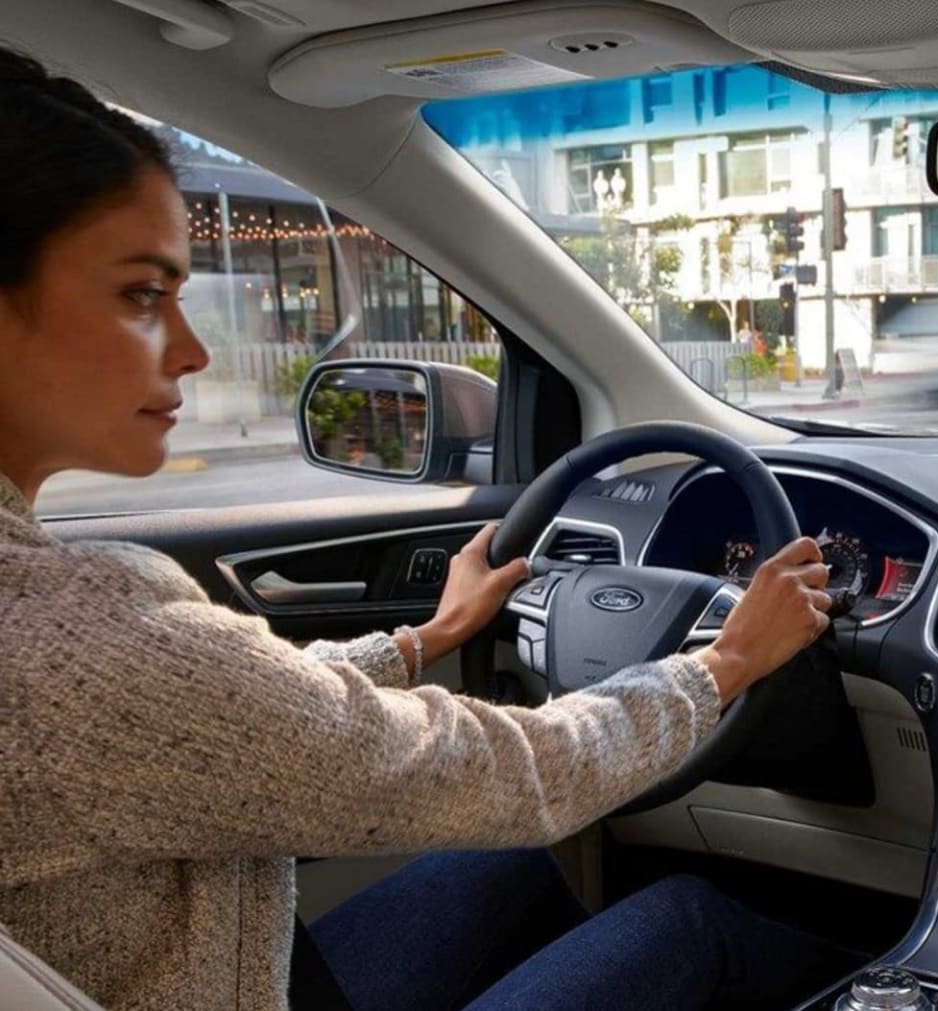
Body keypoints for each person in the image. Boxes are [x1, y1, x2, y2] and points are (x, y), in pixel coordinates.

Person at [0, 48, 855, 1011]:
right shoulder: (71, 637)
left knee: (506, 870)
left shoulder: (55, 632)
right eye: (141, 295)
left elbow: (230, 725)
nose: (195, 351)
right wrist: (726, 662)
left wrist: (424, 641)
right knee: (693, 926)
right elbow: (515, 774)